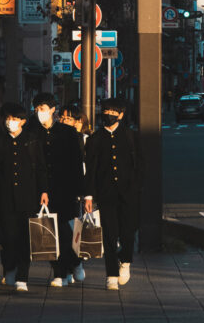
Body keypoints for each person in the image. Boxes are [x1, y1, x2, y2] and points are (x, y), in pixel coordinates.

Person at [0, 102, 48, 293]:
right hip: (4, 197)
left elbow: (40, 168)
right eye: (7, 118)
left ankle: (23, 277)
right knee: (8, 237)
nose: (9, 122)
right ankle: (9, 269)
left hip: (28, 196)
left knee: (25, 238)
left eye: (14, 119)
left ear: (22, 121)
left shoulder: (32, 140)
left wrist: (44, 191)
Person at [25, 92, 85, 287]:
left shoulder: (67, 133)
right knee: (49, 230)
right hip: (39, 189)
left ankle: (74, 263)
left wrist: (81, 190)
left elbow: (77, 162)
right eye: (36, 109)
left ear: (52, 110)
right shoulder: (31, 131)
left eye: (42, 109)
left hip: (64, 189)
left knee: (65, 233)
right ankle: (59, 273)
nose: (39, 112)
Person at [84, 97, 143, 292]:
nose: (108, 115)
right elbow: (90, 170)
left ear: (121, 115)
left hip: (129, 193)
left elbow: (140, 167)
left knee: (128, 232)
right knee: (109, 234)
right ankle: (111, 275)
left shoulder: (131, 136)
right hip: (105, 193)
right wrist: (89, 196)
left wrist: (138, 188)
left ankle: (125, 261)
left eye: (112, 112)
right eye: (105, 111)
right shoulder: (95, 139)